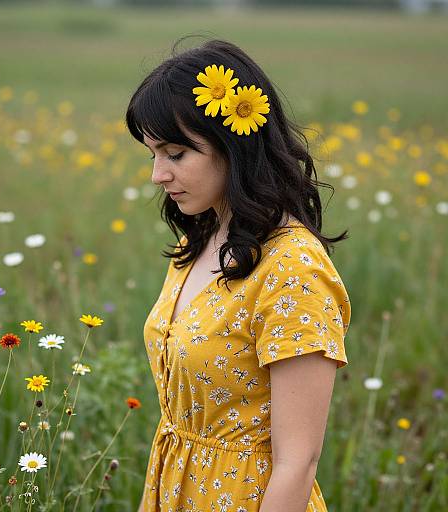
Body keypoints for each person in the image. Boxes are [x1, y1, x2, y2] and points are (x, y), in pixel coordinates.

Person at [125, 37, 351, 512]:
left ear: (234, 145)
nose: (157, 176)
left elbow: (299, 461)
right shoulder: (197, 242)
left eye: (175, 154)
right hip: (175, 490)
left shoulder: (293, 271)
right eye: (152, 154)